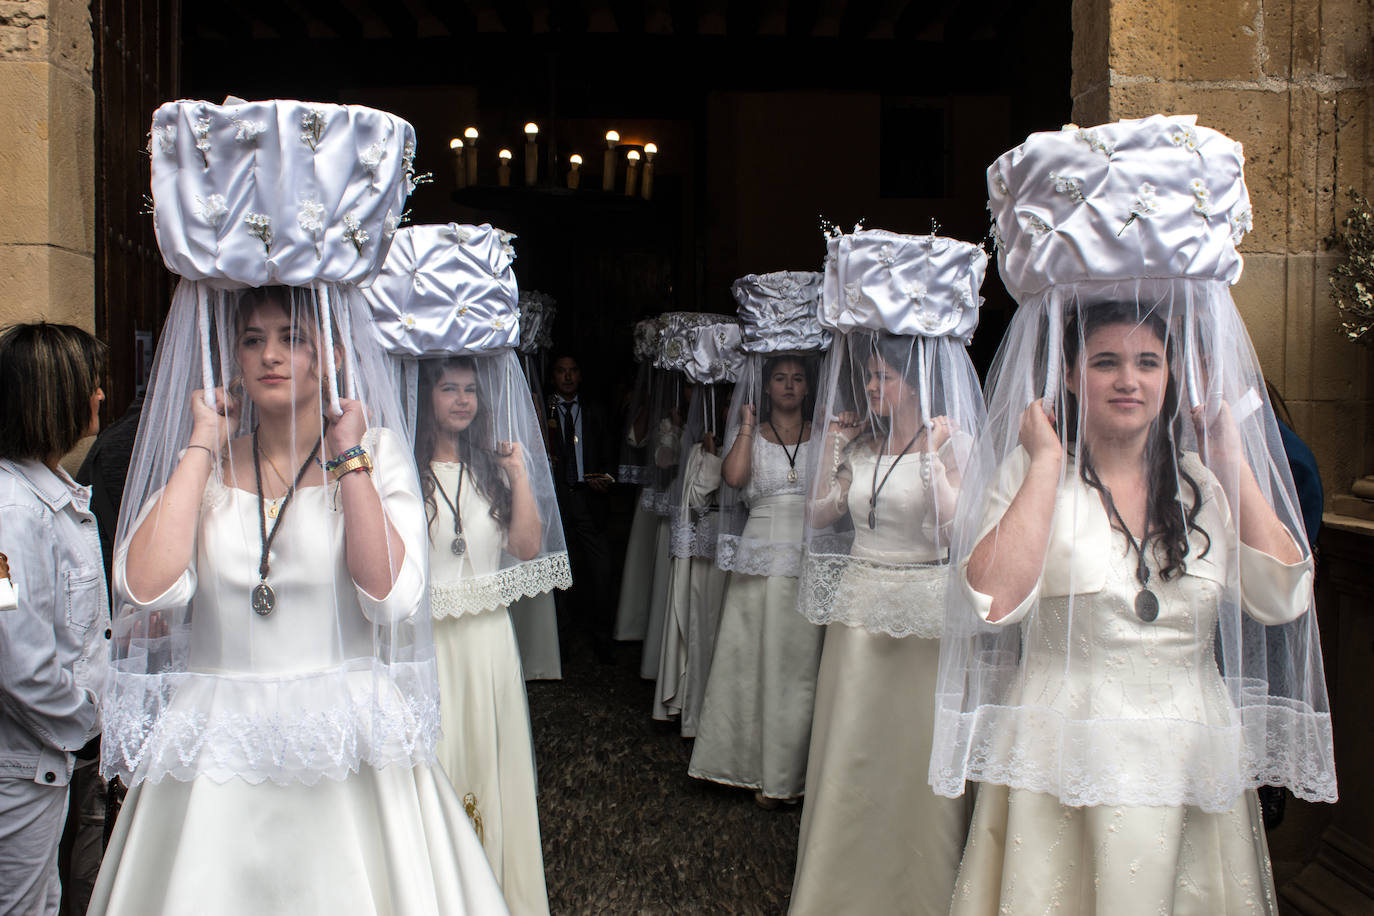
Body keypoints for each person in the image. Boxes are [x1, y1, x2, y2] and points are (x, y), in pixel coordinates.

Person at [89, 98, 506, 915]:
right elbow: (142, 590)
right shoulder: (203, 470)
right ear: (233, 356)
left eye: (293, 338)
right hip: (217, 754)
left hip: (346, 753)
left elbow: (389, 596)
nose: (273, 355)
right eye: (254, 339)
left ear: (332, 354)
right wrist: (202, 442)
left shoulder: (376, 458)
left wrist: (349, 455)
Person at [931, 116, 1336, 915]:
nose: (1130, 380)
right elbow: (990, 600)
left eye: (1147, 362)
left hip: (1187, 754)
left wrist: (1229, 455)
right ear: (1074, 376)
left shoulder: (1200, 482)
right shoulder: (1036, 471)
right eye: (1107, 361)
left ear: (1169, 375)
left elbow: (1283, 593)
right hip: (1062, 753)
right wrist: (1045, 463)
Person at [790, 230, 987, 916]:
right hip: (862, 606)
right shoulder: (863, 441)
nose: (873, 387)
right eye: (869, 376)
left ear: (916, 378)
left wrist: (935, 462)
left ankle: (921, 891)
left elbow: (959, 531)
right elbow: (819, 521)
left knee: (913, 754)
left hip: (927, 613)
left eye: (885, 376)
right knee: (856, 750)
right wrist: (833, 451)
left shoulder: (952, 439)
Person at [416, 358, 550, 915]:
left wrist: (519, 475)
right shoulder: (406, 469)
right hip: (433, 643)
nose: (463, 401)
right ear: (426, 396)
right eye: (450, 389)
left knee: (490, 764)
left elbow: (526, 548)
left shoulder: (490, 470)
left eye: (470, 390)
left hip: (487, 640)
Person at [689, 272, 827, 806]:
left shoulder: (824, 432)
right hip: (759, 558)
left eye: (797, 378)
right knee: (752, 666)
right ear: (765, 387)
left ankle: (791, 774)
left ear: (807, 384)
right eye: (779, 378)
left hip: (806, 560)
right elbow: (735, 479)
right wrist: (744, 425)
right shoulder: (754, 433)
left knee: (799, 672)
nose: (789, 385)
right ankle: (746, 766)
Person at [0, 322, 109, 916]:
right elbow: (19, 662)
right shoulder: (12, 515)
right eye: (90, 385)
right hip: (22, 771)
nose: (100, 397)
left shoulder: (54, 498)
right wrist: (92, 721)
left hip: (50, 765)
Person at [547, 352, 616, 660]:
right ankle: (560, 645)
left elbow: (610, 451)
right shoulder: (543, 410)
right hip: (558, 502)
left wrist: (608, 478)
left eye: (573, 370)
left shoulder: (595, 410)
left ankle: (602, 640)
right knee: (560, 574)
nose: (567, 376)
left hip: (591, 501)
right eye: (562, 371)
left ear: (580, 375)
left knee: (600, 573)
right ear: (553, 375)